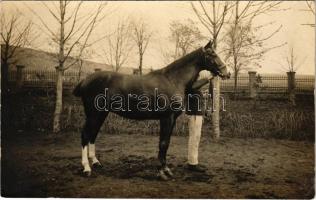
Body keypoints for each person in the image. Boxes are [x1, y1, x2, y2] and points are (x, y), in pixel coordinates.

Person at [186, 70, 213, 172]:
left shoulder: (197, 86)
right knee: (194, 137)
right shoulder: (192, 84)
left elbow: (203, 100)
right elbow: (193, 87)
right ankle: (192, 163)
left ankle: (192, 161)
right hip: (194, 114)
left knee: (195, 137)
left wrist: (205, 111)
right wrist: (207, 79)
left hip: (197, 114)